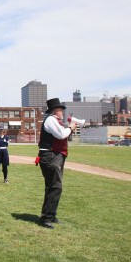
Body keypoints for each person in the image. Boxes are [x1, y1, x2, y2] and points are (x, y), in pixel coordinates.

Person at [38, 98, 77, 229]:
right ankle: (47, 217)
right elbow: (61, 135)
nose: (62, 113)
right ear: (56, 110)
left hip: (53, 156)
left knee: (53, 186)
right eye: (61, 110)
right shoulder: (50, 120)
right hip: (50, 156)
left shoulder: (53, 120)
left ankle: (49, 215)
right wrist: (71, 128)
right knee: (55, 186)